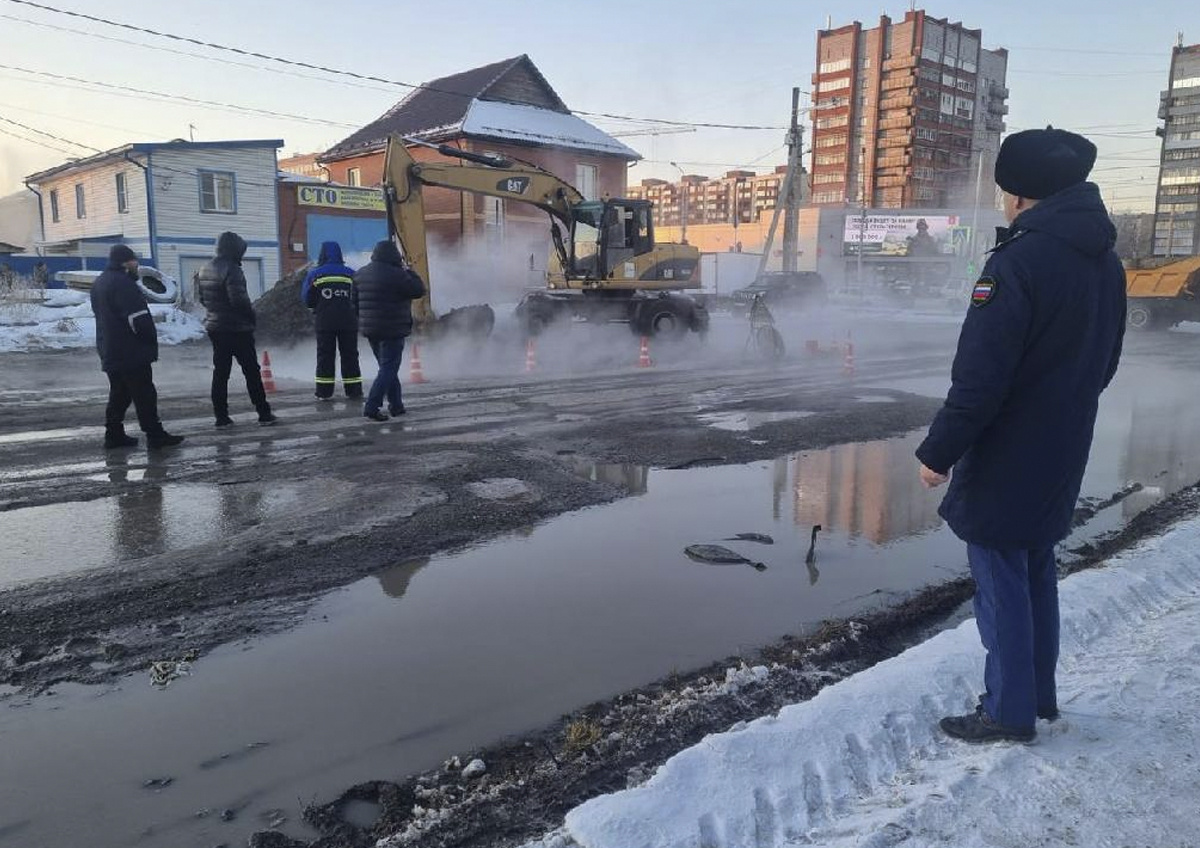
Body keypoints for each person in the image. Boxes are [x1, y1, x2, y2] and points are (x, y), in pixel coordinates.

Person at [915, 127, 1126, 743]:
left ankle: (1008, 711)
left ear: (1019, 195)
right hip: (1065, 443)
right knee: (1035, 572)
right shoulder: (1105, 262)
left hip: (1008, 452)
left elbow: (980, 378)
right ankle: (1038, 698)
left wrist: (938, 453)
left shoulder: (1017, 262)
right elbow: (1106, 363)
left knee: (1001, 583)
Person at [90, 244, 184, 449]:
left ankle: (113, 433)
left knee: (120, 393)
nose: (137, 265)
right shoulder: (124, 284)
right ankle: (155, 435)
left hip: (109, 347)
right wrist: (149, 340)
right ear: (125, 262)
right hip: (130, 349)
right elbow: (138, 318)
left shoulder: (100, 282)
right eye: (134, 261)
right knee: (144, 393)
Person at [195, 231, 276, 427]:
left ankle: (221, 417)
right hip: (237, 329)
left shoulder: (204, 269)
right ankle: (263, 413)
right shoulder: (233, 270)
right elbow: (239, 301)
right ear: (235, 250)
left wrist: (216, 313)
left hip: (216, 327)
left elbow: (202, 299)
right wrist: (251, 318)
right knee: (251, 372)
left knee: (221, 373)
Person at [353, 239, 426, 421]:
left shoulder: (360, 274)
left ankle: (396, 406)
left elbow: (354, 304)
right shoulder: (398, 275)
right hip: (393, 329)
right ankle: (372, 406)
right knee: (388, 368)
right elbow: (418, 290)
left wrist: (365, 320)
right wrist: (410, 270)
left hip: (371, 330)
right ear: (395, 256)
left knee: (386, 368)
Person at [301, 241, 361, 400]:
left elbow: (308, 300)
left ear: (322, 254)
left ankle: (324, 392)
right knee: (350, 356)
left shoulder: (315, 275)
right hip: (349, 323)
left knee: (325, 356)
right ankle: (354, 391)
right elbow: (359, 298)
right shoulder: (352, 274)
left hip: (325, 323)